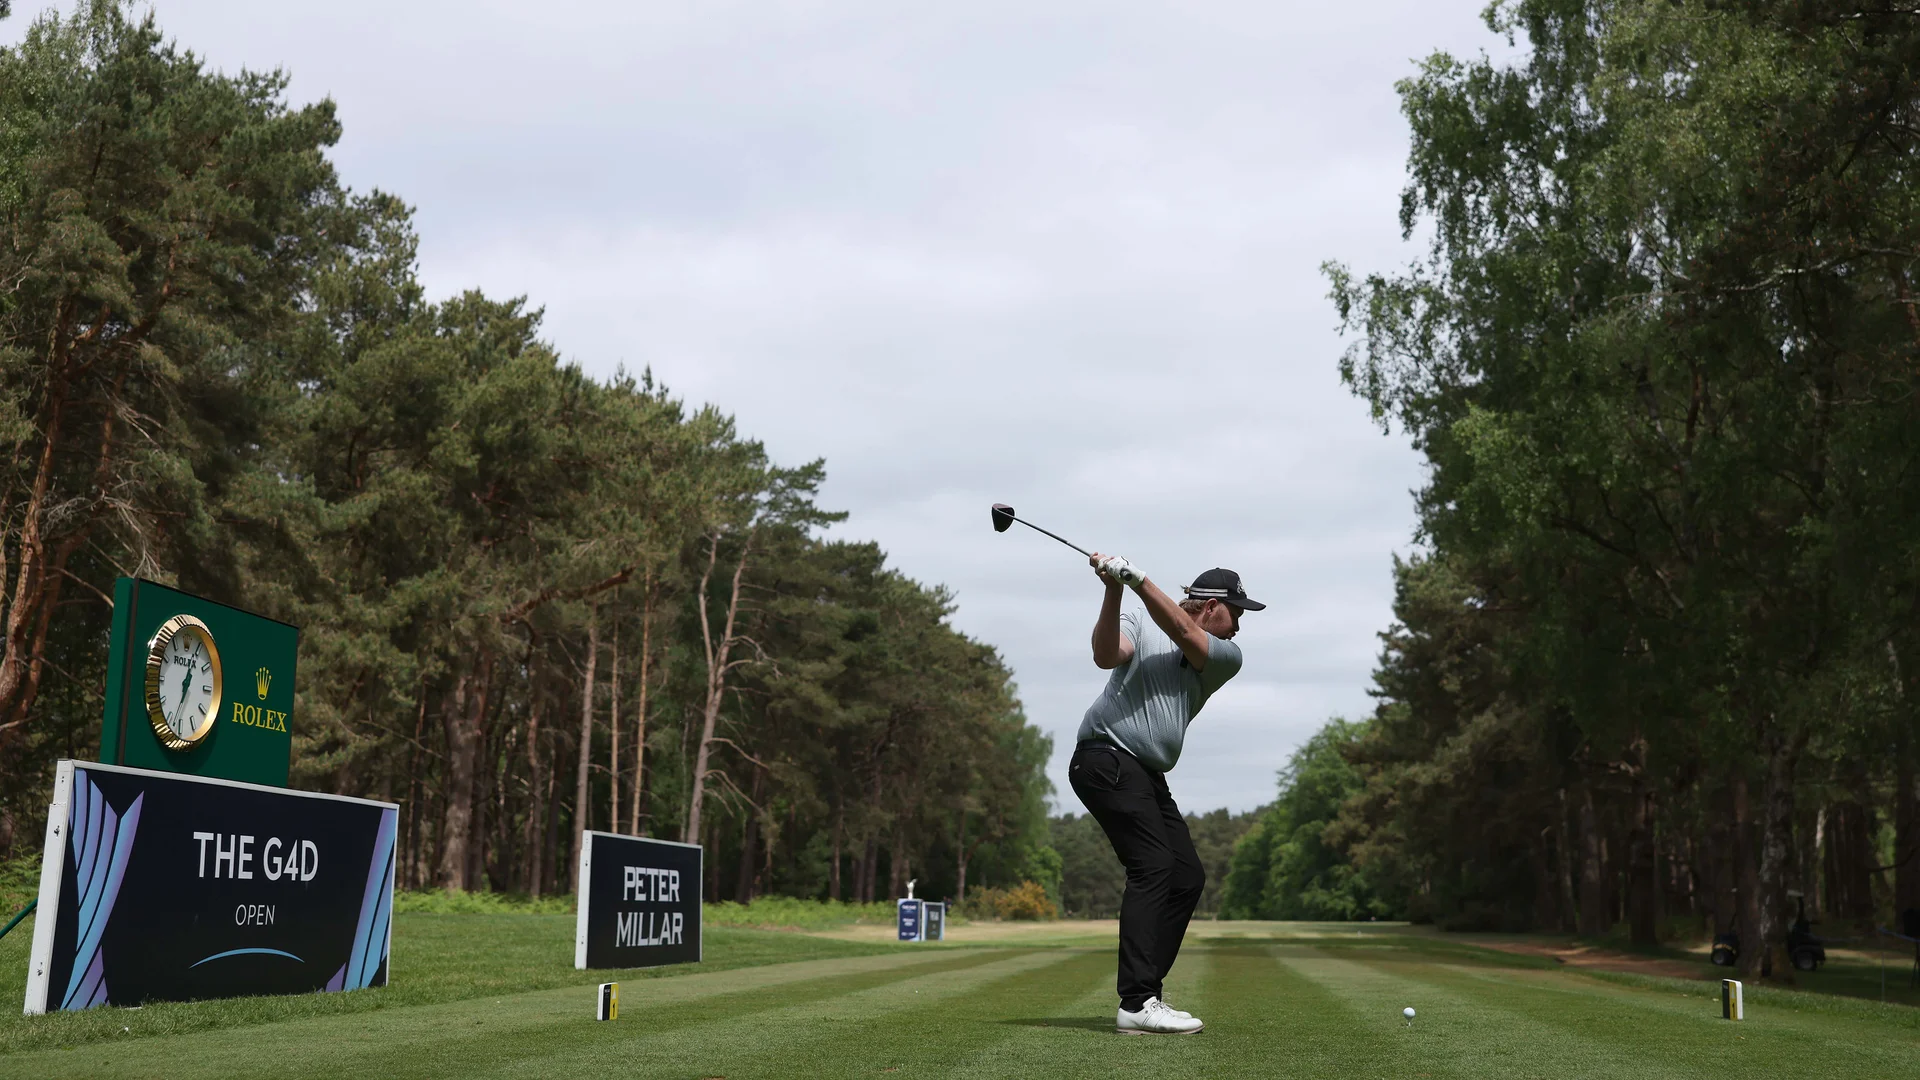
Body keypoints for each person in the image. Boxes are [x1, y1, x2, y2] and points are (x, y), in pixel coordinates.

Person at [1069, 554, 1262, 1035]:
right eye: (1236, 612)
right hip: (1105, 757)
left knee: (1186, 876)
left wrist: (1136, 579)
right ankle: (1137, 1002)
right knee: (1154, 865)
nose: (1239, 626)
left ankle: (1145, 994)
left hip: (1145, 772)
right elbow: (1105, 656)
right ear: (1212, 606)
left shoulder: (1223, 655)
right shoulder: (1140, 615)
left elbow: (1183, 634)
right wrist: (1113, 588)